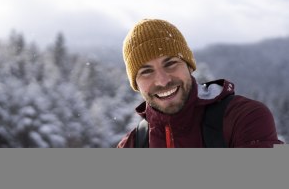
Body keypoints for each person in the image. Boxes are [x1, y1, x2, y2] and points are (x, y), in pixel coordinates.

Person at [117, 18, 283, 148]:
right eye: (146, 72)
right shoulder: (132, 144)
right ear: (136, 84)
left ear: (189, 66)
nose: (162, 80)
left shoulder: (243, 117)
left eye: (171, 64)